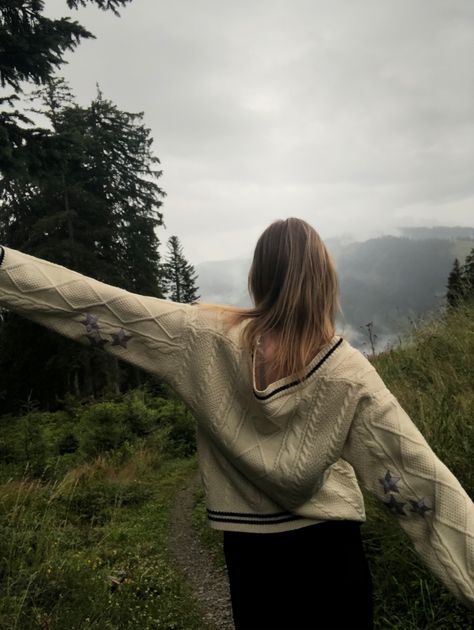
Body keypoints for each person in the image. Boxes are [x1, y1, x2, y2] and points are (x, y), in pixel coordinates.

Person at [0, 218, 473, 630]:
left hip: (251, 556)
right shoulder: (349, 373)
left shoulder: (199, 336)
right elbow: (419, 476)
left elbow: (98, 304)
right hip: (332, 554)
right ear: (325, 279)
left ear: (258, 276)